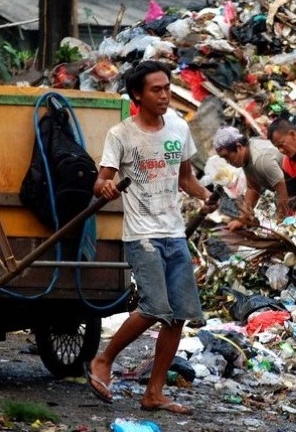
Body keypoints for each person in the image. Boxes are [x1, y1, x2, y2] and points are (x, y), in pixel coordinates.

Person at [86, 60, 216, 414]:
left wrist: (206, 197)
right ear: (137, 95)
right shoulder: (122, 135)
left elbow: (185, 178)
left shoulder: (177, 128)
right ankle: (103, 360)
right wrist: (108, 187)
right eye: (156, 90)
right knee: (155, 307)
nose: (165, 95)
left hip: (173, 233)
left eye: (167, 88)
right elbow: (101, 182)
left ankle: (154, 393)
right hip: (142, 235)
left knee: (178, 316)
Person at [212, 126, 290, 229]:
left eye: (227, 156)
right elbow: (252, 187)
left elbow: (283, 193)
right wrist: (243, 218)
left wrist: (281, 223)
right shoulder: (247, 155)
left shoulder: (260, 160)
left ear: (239, 146)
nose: (227, 161)